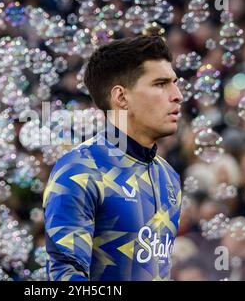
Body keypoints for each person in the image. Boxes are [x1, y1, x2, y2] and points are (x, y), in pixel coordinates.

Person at [43, 35, 184, 280]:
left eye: (175, 82)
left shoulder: (168, 177)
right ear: (121, 98)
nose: (177, 95)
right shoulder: (80, 170)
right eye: (161, 84)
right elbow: (65, 275)